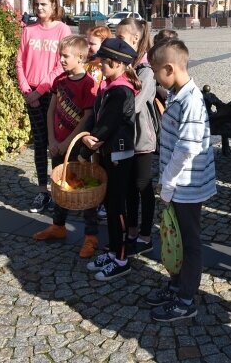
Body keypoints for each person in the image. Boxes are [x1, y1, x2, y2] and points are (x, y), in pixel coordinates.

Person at [145, 39, 216, 321]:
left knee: (189, 241)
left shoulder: (192, 101)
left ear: (169, 68)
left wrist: (168, 184)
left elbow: (186, 148)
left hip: (187, 185)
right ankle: (176, 285)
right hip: (178, 185)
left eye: (154, 71)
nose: (152, 76)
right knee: (175, 236)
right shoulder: (177, 94)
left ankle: (186, 298)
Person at [31, 36, 100, 258]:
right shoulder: (59, 81)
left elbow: (87, 117)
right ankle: (58, 225)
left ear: (81, 57)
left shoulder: (89, 84)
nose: (60, 60)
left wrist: (66, 142)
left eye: (65, 56)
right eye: (60, 55)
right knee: (60, 186)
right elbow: (51, 110)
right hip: (58, 145)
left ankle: (91, 236)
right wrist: (52, 140)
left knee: (85, 190)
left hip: (78, 148)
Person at [78, 38, 139, 281]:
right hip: (109, 154)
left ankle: (122, 258)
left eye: (103, 62)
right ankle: (113, 251)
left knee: (117, 208)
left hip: (118, 156)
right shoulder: (111, 85)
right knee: (111, 207)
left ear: (115, 63)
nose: (100, 66)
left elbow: (106, 126)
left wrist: (85, 152)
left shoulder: (121, 90)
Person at [16, 0, 72, 213]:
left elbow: (61, 66)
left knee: (56, 143)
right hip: (31, 94)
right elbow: (19, 61)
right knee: (39, 142)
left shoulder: (62, 30)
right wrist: (26, 90)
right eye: (36, 4)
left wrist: (39, 91)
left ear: (54, 6)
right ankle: (42, 191)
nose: (39, 8)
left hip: (52, 93)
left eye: (44, 4)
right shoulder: (28, 31)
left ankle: (60, 187)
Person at [115, 18, 157, 256]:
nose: (117, 43)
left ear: (135, 40)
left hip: (141, 138)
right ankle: (131, 231)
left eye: (120, 39)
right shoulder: (124, 65)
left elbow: (135, 105)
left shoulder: (146, 70)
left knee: (143, 185)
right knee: (129, 188)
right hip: (125, 137)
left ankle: (146, 235)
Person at [84, 25, 112, 221]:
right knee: (92, 161)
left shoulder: (105, 66)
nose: (88, 47)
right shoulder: (87, 63)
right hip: (89, 115)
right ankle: (92, 195)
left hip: (102, 118)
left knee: (103, 162)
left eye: (92, 43)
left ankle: (104, 200)